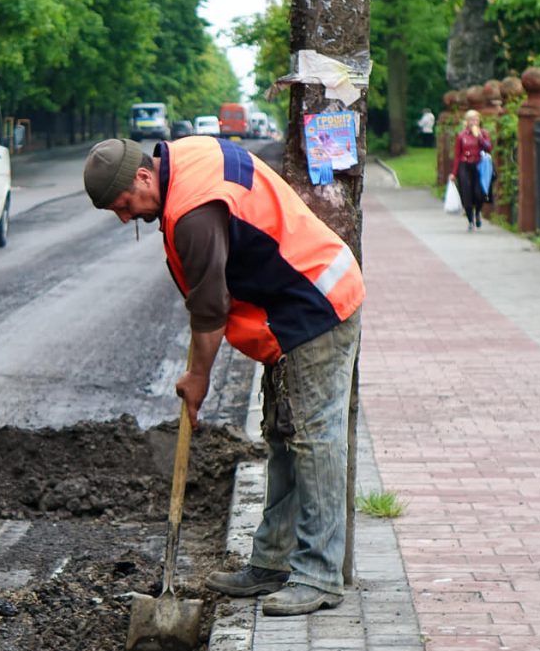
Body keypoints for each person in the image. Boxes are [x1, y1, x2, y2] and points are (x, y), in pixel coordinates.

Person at [82, 137, 364, 616]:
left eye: (125, 205)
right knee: (284, 436)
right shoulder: (185, 157)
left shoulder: (191, 211)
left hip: (317, 303)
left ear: (143, 177)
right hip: (291, 308)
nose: (125, 218)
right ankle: (273, 562)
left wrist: (198, 378)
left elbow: (211, 309)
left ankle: (319, 574)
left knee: (316, 440)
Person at [453, 110, 493, 230]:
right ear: (467, 122)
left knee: (478, 192)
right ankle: (470, 220)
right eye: (471, 120)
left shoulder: (483, 133)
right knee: (466, 193)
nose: (473, 122)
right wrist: (454, 173)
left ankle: (478, 213)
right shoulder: (461, 136)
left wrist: (480, 138)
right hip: (465, 165)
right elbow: (457, 155)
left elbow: (489, 148)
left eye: (475, 120)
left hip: (479, 165)